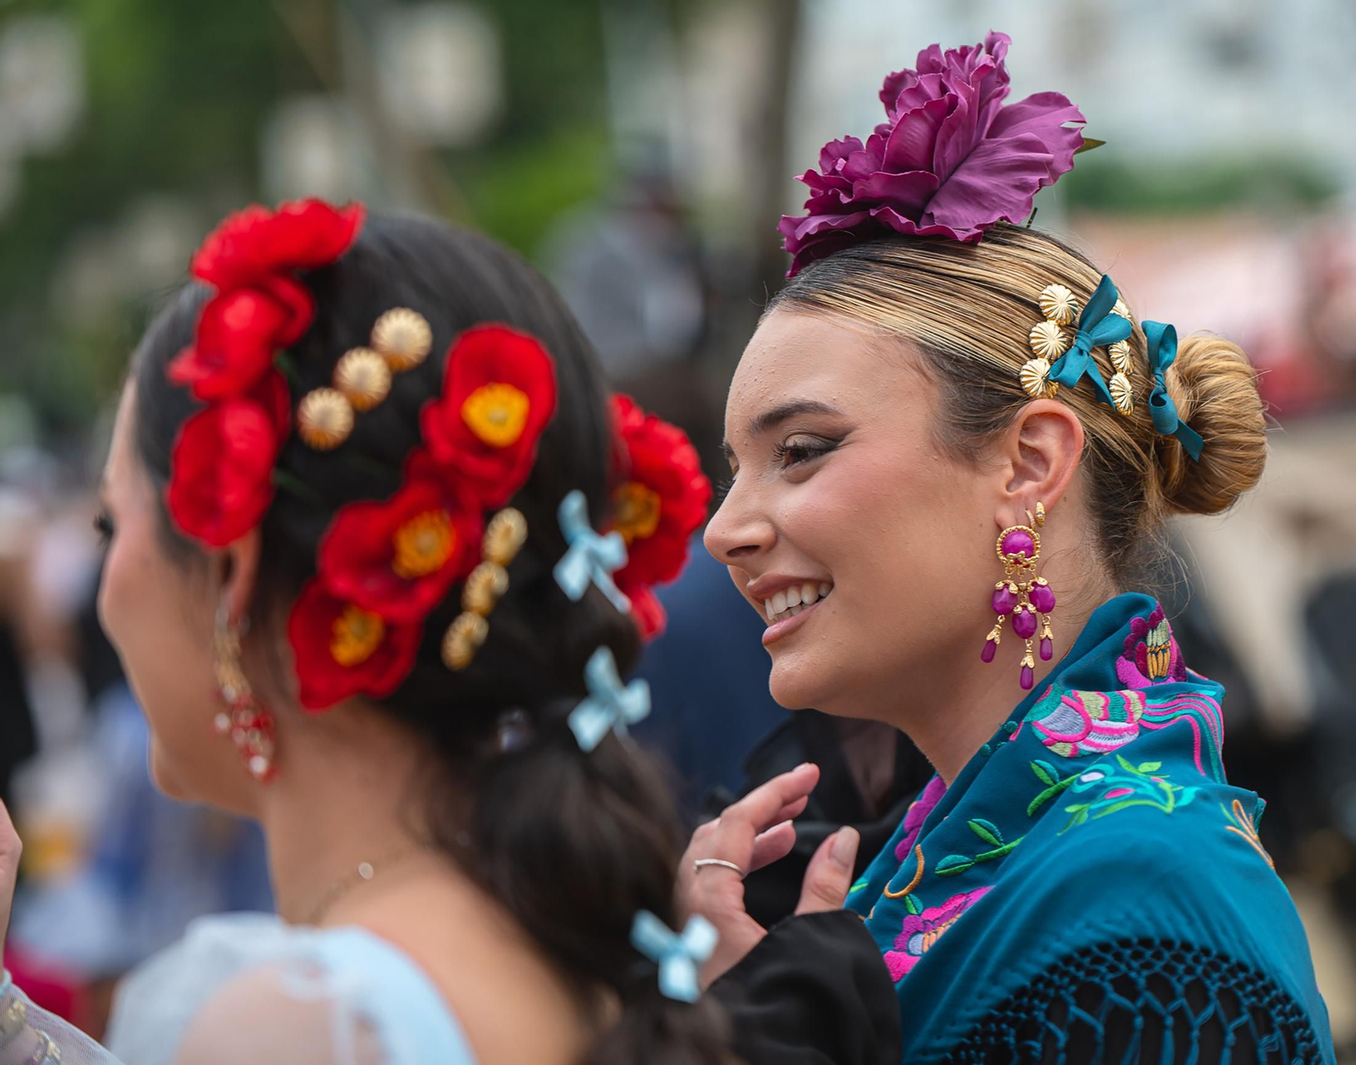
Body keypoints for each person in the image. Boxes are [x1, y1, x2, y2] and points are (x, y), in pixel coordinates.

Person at [0, 199, 893, 1065]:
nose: (106, 588)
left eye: (113, 527)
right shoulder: (587, 952)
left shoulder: (308, 1022)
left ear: (234, 574)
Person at [682, 32, 1336, 1065]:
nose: (726, 529)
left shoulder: (1140, 922)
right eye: (733, 467)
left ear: (1029, 463)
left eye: (800, 452)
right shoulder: (938, 855)